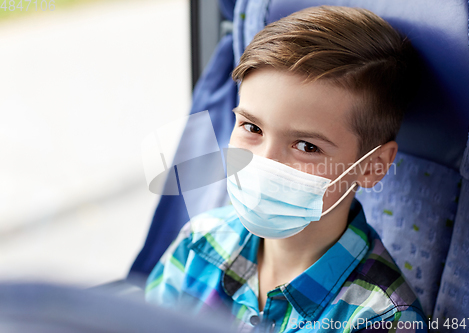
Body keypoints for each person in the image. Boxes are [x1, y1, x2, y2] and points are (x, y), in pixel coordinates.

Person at [145, 6, 427, 332]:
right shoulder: (200, 243)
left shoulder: (382, 320)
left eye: (307, 146)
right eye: (251, 127)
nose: (264, 161)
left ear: (372, 167)